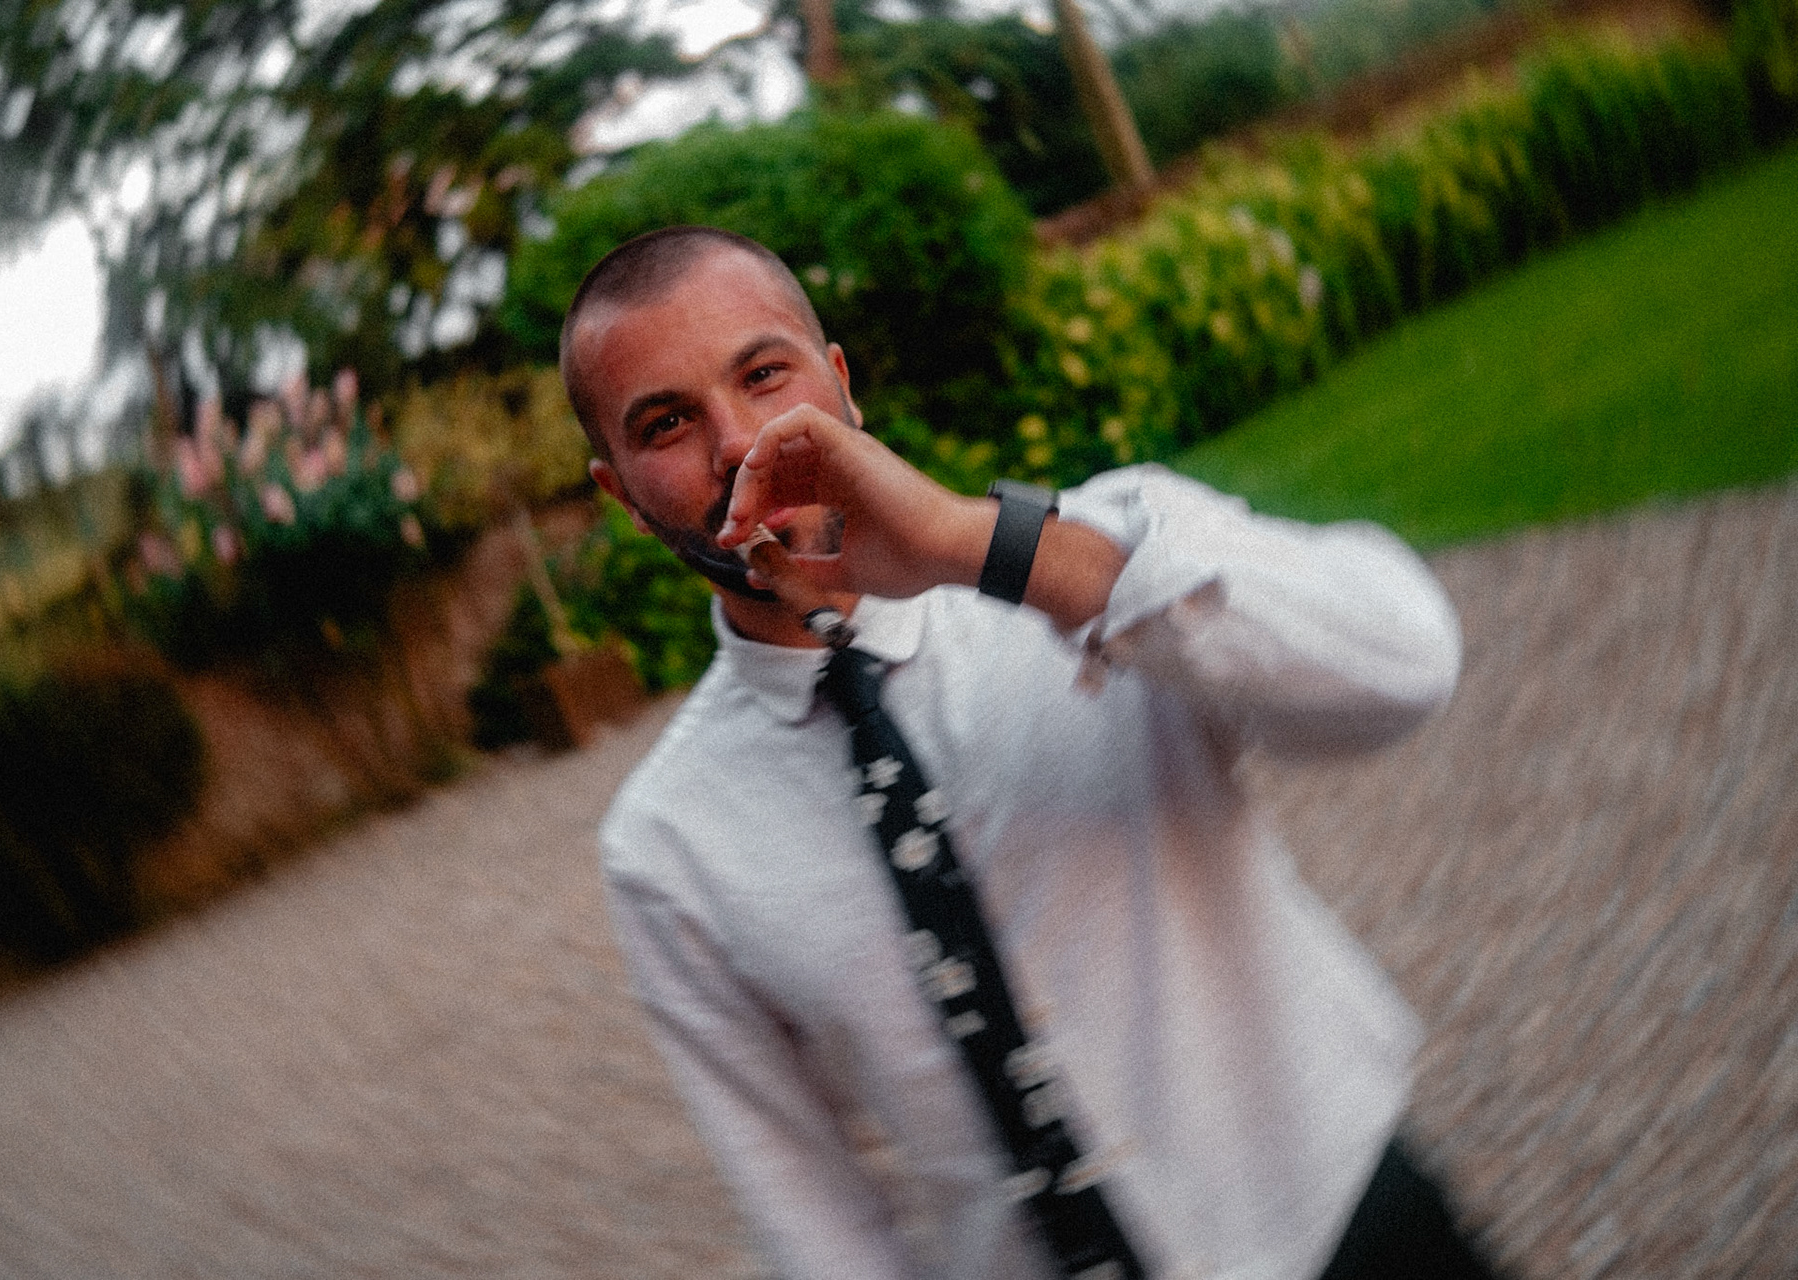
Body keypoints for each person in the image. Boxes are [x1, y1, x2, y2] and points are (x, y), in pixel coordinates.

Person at [564, 225, 1491, 1280]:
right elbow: (812, 1218)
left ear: (841, 385)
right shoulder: (664, 846)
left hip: (1353, 1226)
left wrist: (975, 546)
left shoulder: (1098, 554)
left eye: (765, 374)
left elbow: (1407, 665)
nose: (737, 442)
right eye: (667, 422)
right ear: (621, 496)